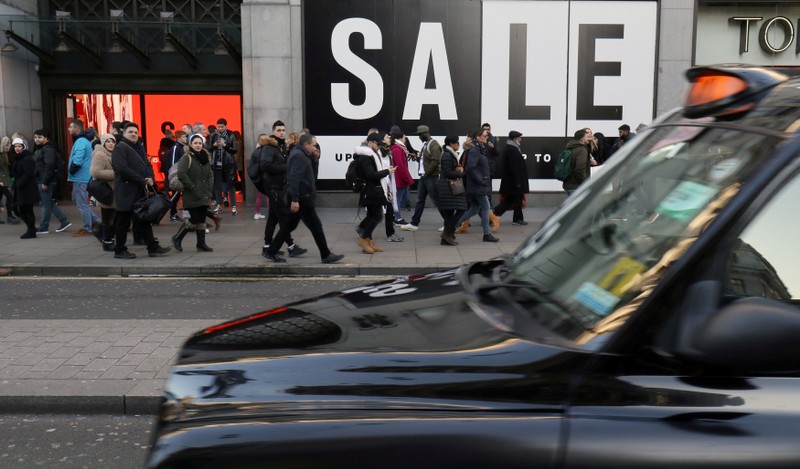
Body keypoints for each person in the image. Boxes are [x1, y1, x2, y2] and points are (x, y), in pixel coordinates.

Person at [264, 133, 343, 264]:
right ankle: (326, 254)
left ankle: (271, 251)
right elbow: (294, 179)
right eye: (313, 145)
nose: (315, 147)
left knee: (288, 227)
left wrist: (315, 159)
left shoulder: (302, 155)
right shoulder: (298, 156)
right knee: (316, 226)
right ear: (306, 144)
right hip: (301, 198)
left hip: (301, 197)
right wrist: (295, 200)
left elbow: (307, 173)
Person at [111, 121, 171, 259]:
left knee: (144, 219)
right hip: (126, 191)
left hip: (138, 190)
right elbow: (122, 169)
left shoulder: (139, 147)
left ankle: (152, 247)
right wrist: (141, 179)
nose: (133, 134)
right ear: (124, 133)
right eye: (130, 132)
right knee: (123, 221)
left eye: (135, 132)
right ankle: (119, 250)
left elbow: (147, 164)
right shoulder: (120, 148)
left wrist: (150, 176)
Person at [259, 123, 306, 258]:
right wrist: (286, 167)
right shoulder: (269, 147)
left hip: (279, 186)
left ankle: (267, 247)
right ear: (273, 131)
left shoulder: (280, 146)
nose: (281, 132)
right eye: (278, 130)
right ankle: (291, 247)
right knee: (285, 218)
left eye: (283, 130)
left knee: (273, 219)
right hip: (274, 187)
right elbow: (265, 165)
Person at [353, 132, 396, 253]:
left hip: (373, 190)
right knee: (377, 215)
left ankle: (369, 242)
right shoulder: (366, 157)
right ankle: (364, 239)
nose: (379, 147)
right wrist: (387, 171)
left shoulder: (371, 155)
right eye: (377, 144)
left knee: (372, 215)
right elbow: (371, 175)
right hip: (371, 191)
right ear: (370, 143)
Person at [172, 133, 214, 253]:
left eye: (200, 143)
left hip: (204, 193)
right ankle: (177, 237)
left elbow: (210, 174)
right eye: (195, 143)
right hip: (192, 194)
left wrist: (209, 188)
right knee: (195, 218)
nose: (198, 145)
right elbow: (181, 174)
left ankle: (201, 244)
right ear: (190, 144)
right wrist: (192, 186)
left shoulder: (205, 157)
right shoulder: (187, 157)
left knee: (201, 219)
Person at [455, 128, 499, 243]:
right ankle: (486, 234)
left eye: (487, 136)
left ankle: (452, 225)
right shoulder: (475, 150)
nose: (486, 137)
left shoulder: (479, 148)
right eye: (484, 136)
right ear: (477, 137)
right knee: (485, 207)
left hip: (476, 185)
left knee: (474, 209)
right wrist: (481, 180)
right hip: (477, 186)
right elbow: (470, 167)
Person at [32, 129, 71, 234]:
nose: (37, 139)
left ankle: (44, 227)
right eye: (35, 137)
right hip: (43, 179)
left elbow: (49, 166)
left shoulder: (48, 149)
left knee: (45, 204)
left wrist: (44, 182)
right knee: (49, 203)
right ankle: (64, 221)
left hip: (45, 180)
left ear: (46, 138)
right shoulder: (41, 149)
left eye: (39, 137)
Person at [67, 119, 100, 236]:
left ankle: (87, 227)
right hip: (82, 177)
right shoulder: (84, 140)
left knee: (81, 203)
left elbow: (78, 160)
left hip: (80, 178)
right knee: (78, 201)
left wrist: (72, 169)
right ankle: (95, 221)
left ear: (77, 128)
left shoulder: (80, 141)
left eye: (71, 127)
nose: (69, 129)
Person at [405, 125, 441, 231]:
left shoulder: (433, 144)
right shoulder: (426, 144)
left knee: (437, 200)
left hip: (430, 177)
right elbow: (426, 162)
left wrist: (426, 174)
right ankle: (414, 223)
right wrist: (417, 159)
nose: (419, 137)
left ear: (425, 134)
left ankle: (449, 222)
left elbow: (435, 161)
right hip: (424, 177)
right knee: (419, 201)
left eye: (420, 135)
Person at [492, 131, 529, 226]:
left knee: (513, 200)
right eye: (519, 138)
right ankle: (495, 214)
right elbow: (514, 167)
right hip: (514, 182)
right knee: (512, 200)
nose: (520, 139)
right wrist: (518, 182)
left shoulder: (512, 148)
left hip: (513, 181)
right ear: (515, 139)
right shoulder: (512, 150)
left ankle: (496, 214)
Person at [435, 135, 467, 245]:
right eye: (457, 143)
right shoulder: (447, 156)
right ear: (451, 144)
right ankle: (448, 233)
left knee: (449, 213)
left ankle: (446, 237)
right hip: (448, 187)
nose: (458, 144)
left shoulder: (449, 154)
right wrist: (461, 172)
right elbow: (448, 172)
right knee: (461, 209)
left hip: (448, 187)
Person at [89, 133, 117, 251]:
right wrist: (115, 174)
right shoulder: (100, 154)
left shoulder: (113, 154)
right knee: (108, 218)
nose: (111, 144)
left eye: (113, 141)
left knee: (113, 217)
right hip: (106, 191)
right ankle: (107, 242)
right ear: (103, 143)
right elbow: (95, 172)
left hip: (114, 191)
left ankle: (102, 234)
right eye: (108, 141)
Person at [207, 118, 238, 215]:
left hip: (229, 163)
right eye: (218, 126)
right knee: (217, 184)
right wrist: (214, 145)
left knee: (231, 185)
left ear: (226, 126)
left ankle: (233, 206)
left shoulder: (230, 135)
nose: (220, 128)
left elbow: (235, 150)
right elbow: (209, 148)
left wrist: (225, 145)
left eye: (222, 126)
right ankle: (219, 205)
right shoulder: (213, 135)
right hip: (216, 162)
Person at [10, 137, 38, 239]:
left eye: (19, 146)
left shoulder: (27, 158)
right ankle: (31, 228)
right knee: (18, 209)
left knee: (27, 209)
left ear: (24, 147)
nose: (17, 148)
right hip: (20, 187)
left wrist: (20, 183)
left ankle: (31, 230)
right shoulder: (17, 157)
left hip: (27, 188)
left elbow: (28, 174)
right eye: (15, 146)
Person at [389, 128, 414, 227]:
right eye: (404, 138)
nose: (405, 139)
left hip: (400, 178)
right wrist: (407, 178)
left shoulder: (397, 148)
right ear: (401, 137)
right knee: (397, 199)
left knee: (397, 199)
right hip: (399, 179)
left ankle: (395, 217)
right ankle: (397, 218)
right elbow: (401, 166)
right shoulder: (397, 149)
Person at [165, 130, 188, 222]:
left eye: (185, 137)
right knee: (175, 195)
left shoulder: (184, 147)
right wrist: (175, 175)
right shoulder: (176, 147)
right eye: (184, 137)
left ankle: (183, 214)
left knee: (179, 195)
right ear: (178, 138)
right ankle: (173, 214)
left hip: (183, 174)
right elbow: (173, 163)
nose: (185, 138)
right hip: (176, 176)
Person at [562, 129, 591, 196]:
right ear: (582, 139)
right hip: (577, 186)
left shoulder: (569, 147)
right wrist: (585, 182)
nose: (588, 139)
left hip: (568, 185)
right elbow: (579, 169)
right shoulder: (582, 150)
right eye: (586, 137)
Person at [0, 136, 20, 225]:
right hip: (2, 180)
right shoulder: (3, 154)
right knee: (9, 196)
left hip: (5, 179)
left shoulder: (7, 153)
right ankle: (9, 216)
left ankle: (10, 216)